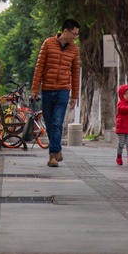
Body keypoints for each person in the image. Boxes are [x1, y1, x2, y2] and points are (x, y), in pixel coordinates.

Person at [31, 19, 81, 167]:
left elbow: (75, 73)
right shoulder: (48, 43)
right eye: (74, 34)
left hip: (63, 90)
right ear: (65, 31)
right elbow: (39, 67)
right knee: (49, 123)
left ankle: (52, 156)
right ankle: (57, 149)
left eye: (77, 35)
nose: (75, 37)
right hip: (47, 89)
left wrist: (74, 96)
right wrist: (35, 89)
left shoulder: (74, 50)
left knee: (57, 122)